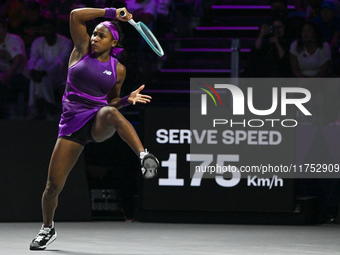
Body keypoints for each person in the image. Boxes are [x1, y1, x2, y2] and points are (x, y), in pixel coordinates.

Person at [29, 6, 160, 251]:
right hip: (71, 123)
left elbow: (111, 102)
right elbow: (74, 16)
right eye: (94, 34)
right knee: (52, 187)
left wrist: (125, 100)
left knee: (111, 112)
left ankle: (144, 156)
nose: (94, 38)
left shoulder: (118, 69)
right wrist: (110, 13)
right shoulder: (81, 51)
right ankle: (47, 228)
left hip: (97, 121)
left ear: (114, 41)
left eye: (101, 35)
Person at [27, 19, 72, 120]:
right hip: (42, 76)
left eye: (49, 29)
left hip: (60, 76)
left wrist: (44, 72)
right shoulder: (37, 42)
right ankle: (49, 103)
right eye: (44, 29)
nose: (47, 31)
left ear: (55, 29)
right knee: (39, 65)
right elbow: (32, 60)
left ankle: (35, 107)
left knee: (40, 74)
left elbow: (60, 63)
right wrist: (33, 71)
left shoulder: (66, 43)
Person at [0, 17, 28, 118]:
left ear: (4, 28)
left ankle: (5, 117)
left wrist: (6, 76)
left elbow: (18, 59)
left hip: (19, 75)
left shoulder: (14, 39)